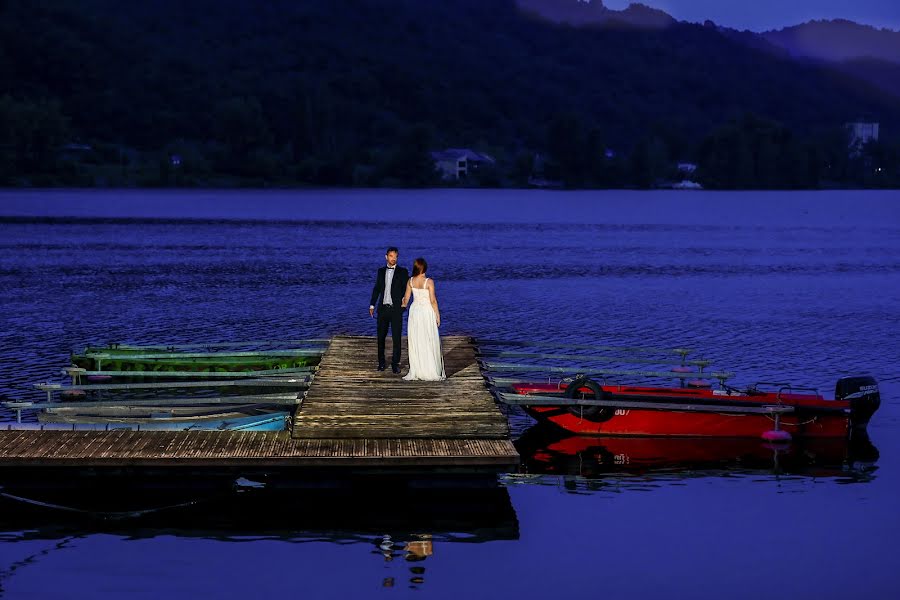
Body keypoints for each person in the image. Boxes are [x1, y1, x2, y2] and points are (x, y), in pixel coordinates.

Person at [401, 257, 446, 381]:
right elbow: (433, 300)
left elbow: (406, 299)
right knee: (428, 338)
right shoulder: (429, 282)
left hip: (415, 311)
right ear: (425, 267)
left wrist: (401, 305)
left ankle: (418, 369)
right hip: (426, 311)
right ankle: (429, 368)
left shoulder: (410, 281)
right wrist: (437, 315)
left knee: (417, 338)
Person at [370, 247, 410, 373]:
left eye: (395, 256)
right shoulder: (381, 271)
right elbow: (377, 288)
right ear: (386, 256)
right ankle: (381, 363)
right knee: (381, 338)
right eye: (391, 256)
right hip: (382, 310)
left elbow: (407, 289)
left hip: (396, 310)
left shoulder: (403, 272)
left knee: (396, 338)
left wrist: (404, 304)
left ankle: (395, 364)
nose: (393, 258)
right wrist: (372, 305)